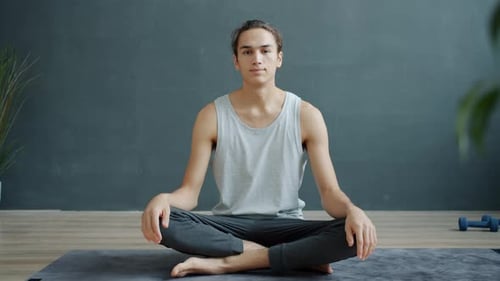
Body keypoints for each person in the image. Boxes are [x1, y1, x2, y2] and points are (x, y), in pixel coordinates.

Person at [141, 19, 377, 278]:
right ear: (236, 61)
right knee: (166, 221)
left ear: (279, 58)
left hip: (286, 226)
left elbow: (330, 193)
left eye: (265, 50)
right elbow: (189, 193)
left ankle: (229, 262)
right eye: (247, 51)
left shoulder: (306, 115)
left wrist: (353, 210)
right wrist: (164, 199)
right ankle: (291, 256)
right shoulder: (211, 116)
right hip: (229, 226)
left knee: (352, 232)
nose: (257, 58)